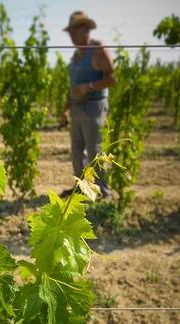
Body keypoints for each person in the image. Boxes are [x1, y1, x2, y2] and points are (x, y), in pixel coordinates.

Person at [60, 11, 116, 198]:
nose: (72, 35)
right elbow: (73, 86)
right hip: (76, 108)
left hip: (94, 107)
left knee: (94, 150)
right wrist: (66, 110)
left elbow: (112, 78)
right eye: (70, 32)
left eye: (74, 30)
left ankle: (102, 192)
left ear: (85, 29)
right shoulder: (76, 55)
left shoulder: (97, 49)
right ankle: (82, 189)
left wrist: (89, 87)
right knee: (77, 151)